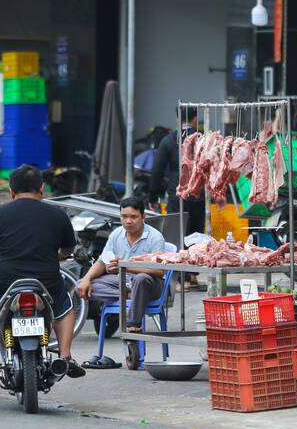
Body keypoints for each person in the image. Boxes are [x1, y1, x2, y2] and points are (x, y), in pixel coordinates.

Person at [0, 165, 84, 377]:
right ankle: (65, 356)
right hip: (46, 279)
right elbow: (68, 249)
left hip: (6, 279)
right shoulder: (57, 215)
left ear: (11, 191)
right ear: (42, 188)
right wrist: (57, 255)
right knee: (64, 307)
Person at [77, 198, 166, 339]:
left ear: (143, 217)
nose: (128, 221)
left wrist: (126, 267)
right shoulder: (116, 234)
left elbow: (159, 271)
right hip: (123, 282)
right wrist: (87, 278)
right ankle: (131, 294)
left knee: (140, 279)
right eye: (124, 216)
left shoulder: (155, 237)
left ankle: (133, 324)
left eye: (133, 217)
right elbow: (102, 261)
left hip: (149, 284)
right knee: (82, 285)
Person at [149, 109, 204, 290]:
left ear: (177, 118)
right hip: (198, 192)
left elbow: (157, 170)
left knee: (178, 233)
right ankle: (192, 274)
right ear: (195, 118)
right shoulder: (202, 139)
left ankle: (182, 278)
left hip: (177, 192)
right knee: (195, 233)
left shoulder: (168, 140)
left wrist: (153, 196)